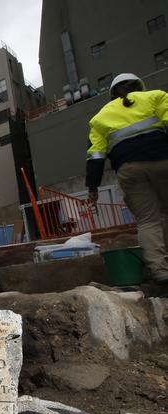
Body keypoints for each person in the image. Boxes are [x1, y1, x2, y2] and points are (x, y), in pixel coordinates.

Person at [86, 73, 168, 284]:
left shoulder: (100, 117)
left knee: (148, 220)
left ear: (112, 94)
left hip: (129, 170)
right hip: (163, 160)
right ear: (139, 86)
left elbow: (96, 156)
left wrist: (93, 187)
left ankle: (160, 271)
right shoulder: (156, 97)